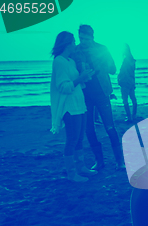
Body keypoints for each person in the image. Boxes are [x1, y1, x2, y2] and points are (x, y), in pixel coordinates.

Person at [71, 24, 125, 170]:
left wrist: (102, 64)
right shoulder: (75, 51)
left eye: (87, 39)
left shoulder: (102, 49)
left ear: (92, 37)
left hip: (102, 93)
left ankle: (120, 161)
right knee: (88, 129)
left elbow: (113, 70)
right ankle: (99, 161)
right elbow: (70, 71)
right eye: (81, 38)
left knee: (109, 127)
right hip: (84, 95)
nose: (84, 42)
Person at [50, 31, 96, 182]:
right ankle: (71, 173)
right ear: (67, 44)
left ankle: (81, 167)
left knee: (79, 138)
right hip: (69, 107)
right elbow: (63, 87)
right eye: (73, 41)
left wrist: (85, 75)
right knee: (72, 139)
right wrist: (80, 78)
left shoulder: (70, 61)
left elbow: (76, 83)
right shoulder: (59, 61)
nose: (75, 44)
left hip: (79, 104)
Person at [118, 43, 137, 122]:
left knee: (125, 100)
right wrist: (133, 82)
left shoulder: (126, 60)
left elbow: (123, 72)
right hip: (131, 81)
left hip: (125, 82)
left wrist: (119, 79)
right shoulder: (132, 59)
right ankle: (134, 115)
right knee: (133, 98)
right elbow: (132, 72)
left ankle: (129, 117)